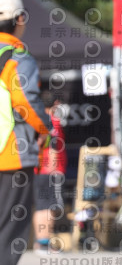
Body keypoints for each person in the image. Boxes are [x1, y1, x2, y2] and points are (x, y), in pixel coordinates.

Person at [0, 0, 52, 265]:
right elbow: (25, 101)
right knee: (10, 228)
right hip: (11, 155)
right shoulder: (17, 57)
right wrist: (44, 128)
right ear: (20, 19)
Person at [33, 90, 67, 256]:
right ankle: (43, 243)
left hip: (37, 169)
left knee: (42, 206)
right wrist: (53, 168)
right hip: (49, 170)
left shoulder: (36, 120)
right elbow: (53, 144)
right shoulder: (52, 121)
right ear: (56, 104)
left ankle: (41, 242)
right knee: (47, 207)